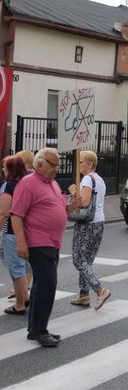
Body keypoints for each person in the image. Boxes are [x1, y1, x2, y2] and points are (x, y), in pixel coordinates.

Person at [10, 148, 81, 347]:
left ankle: (35, 329)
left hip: (52, 242)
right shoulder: (28, 183)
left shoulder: (54, 184)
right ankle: (40, 330)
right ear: (40, 164)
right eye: (53, 165)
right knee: (47, 285)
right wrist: (21, 242)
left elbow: (58, 210)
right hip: (38, 242)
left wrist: (70, 207)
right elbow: (16, 214)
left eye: (58, 165)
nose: (56, 169)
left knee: (41, 286)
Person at [68, 150, 110, 310]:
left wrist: (73, 192)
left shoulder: (87, 178)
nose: (77, 165)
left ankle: (100, 290)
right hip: (99, 221)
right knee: (88, 260)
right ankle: (84, 295)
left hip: (86, 223)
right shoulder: (99, 179)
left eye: (80, 162)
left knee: (79, 259)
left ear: (90, 164)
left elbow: (84, 203)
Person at [0, 155, 31, 314]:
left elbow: (4, 213)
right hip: (29, 230)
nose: (3, 169)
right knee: (24, 265)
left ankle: (20, 303)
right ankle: (25, 297)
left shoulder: (9, 186)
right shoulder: (28, 183)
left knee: (16, 268)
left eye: (4, 166)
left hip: (12, 232)